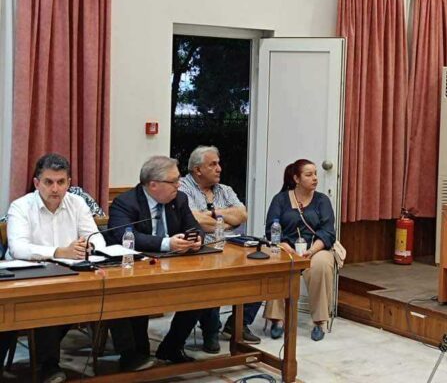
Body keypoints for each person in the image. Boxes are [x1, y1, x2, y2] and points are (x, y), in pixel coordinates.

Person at [6, 153, 107, 383]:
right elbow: (18, 248)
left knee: (110, 289)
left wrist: (88, 246)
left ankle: (131, 356)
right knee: (48, 301)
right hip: (29, 279)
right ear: (36, 183)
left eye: (61, 182)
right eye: (48, 182)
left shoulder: (77, 203)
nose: (55, 189)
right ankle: (48, 367)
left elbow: (98, 240)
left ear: (69, 182)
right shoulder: (21, 206)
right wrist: (59, 252)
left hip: (72, 276)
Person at [107, 156, 204, 368]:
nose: (179, 185)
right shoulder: (126, 202)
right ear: (153, 185)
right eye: (174, 181)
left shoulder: (179, 200)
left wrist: (196, 239)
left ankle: (171, 347)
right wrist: (167, 243)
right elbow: (124, 236)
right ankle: (133, 355)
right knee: (129, 297)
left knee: (201, 291)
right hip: (135, 270)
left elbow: (195, 227)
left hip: (174, 266)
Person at [178, 146, 261, 351]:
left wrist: (213, 213)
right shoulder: (182, 188)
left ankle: (238, 323)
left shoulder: (225, 189)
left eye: (218, 163)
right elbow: (194, 220)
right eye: (213, 164)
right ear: (198, 170)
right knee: (213, 278)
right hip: (197, 247)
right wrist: (226, 221)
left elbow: (242, 215)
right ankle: (211, 331)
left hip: (229, 245)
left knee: (259, 271)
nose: (219, 168)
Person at [263, 159, 336, 342]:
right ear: (296, 178)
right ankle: (277, 319)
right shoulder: (280, 199)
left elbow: (328, 232)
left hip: (316, 249)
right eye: (309, 175)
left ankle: (319, 321)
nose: (315, 178)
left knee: (321, 265)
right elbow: (272, 228)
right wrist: (285, 246)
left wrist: (312, 250)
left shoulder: (322, 200)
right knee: (276, 260)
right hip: (286, 247)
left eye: (315, 174)